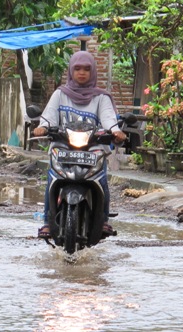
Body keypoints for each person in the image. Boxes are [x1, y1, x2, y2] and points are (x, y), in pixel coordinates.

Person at [33, 50, 126, 238]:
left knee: (101, 180)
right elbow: (49, 116)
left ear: (93, 72)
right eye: (77, 69)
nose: (82, 73)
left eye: (86, 69)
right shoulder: (60, 94)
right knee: (52, 178)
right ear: (70, 71)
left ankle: (103, 219)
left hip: (93, 147)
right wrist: (42, 127)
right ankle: (47, 221)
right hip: (63, 146)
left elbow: (109, 118)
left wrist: (115, 131)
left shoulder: (101, 97)